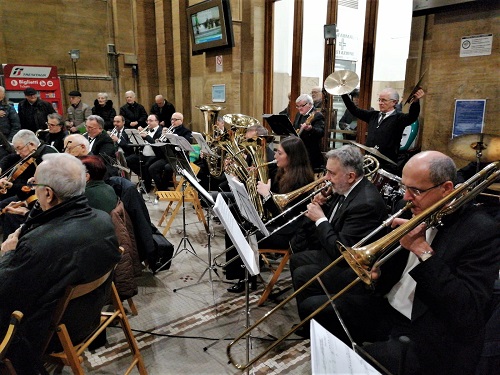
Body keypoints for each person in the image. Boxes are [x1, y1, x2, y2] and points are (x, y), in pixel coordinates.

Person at [300, 151, 500, 375]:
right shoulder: (408, 208)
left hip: (428, 325)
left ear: (446, 189)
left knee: (370, 360)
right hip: (389, 305)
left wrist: (422, 251)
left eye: (415, 190)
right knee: (315, 310)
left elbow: (466, 310)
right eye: (405, 187)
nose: (405, 197)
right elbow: (392, 269)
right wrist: (377, 272)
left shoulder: (480, 230)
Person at [0, 153, 121, 374]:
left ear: (48, 193)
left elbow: (5, 294)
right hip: (88, 317)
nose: (32, 189)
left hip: (48, 333)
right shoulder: (102, 219)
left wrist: (8, 254)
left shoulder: (38, 245)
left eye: (34, 184)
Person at [289, 145, 387, 323]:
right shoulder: (344, 189)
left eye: (331, 173)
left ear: (350, 176)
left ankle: (315, 321)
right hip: (336, 251)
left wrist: (320, 219)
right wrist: (323, 205)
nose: (326, 178)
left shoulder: (365, 204)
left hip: (352, 266)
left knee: (303, 274)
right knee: (297, 259)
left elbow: (341, 252)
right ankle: (310, 321)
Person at [224, 136, 315, 293]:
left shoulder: (302, 180)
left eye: (279, 153)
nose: (274, 156)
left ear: (291, 156)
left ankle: (244, 276)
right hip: (278, 223)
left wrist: (267, 196)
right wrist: (248, 176)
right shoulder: (282, 171)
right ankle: (240, 271)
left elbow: (286, 216)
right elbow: (269, 192)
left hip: (290, 232)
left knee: (245, 233)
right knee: (237, 226)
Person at [341, 87, 425, 173]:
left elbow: (412, 116)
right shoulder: (373, 115)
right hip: (369, 162)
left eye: (384, 100)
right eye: (379, 100)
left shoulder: (399, 118)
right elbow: (354, 110)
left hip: (387, 166)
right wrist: (343, 93)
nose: (380, 103)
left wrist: (415, 102)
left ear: (394, 102)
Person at [148, 112, 192, 191]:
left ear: (181, 121)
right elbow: (163, 144)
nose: (172, 121)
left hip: (180, 158)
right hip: (168, 157)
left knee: (167, 168)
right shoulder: (169, 130)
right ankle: (162, 188)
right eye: (172, 119)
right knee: (152, 168)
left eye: (175, 120)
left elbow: (187, 144)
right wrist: (163, 135)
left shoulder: (186, 132)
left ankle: (163, 187)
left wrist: (172, 136)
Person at [126, 114, 163, 192]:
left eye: (151, 121)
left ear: (157, 122)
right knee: (129, 160)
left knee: (147, 165)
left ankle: (147, 186)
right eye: (147, 121)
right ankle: (144, 178)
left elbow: (157, 145)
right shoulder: (148, 130)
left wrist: (147, 137)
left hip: (156, 155)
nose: (148, 122)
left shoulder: (161, 131)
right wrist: (138, 137)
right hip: (144, 154)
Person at [293, 94, 325, 170]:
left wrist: (311, 129)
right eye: (297, 106)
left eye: (302, 106)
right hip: (298, 151)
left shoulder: (317, 115)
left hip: (310, 153)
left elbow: (321, 132)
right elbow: (295, 127)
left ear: (310, 104)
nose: (299, 108)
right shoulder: (299, 114)